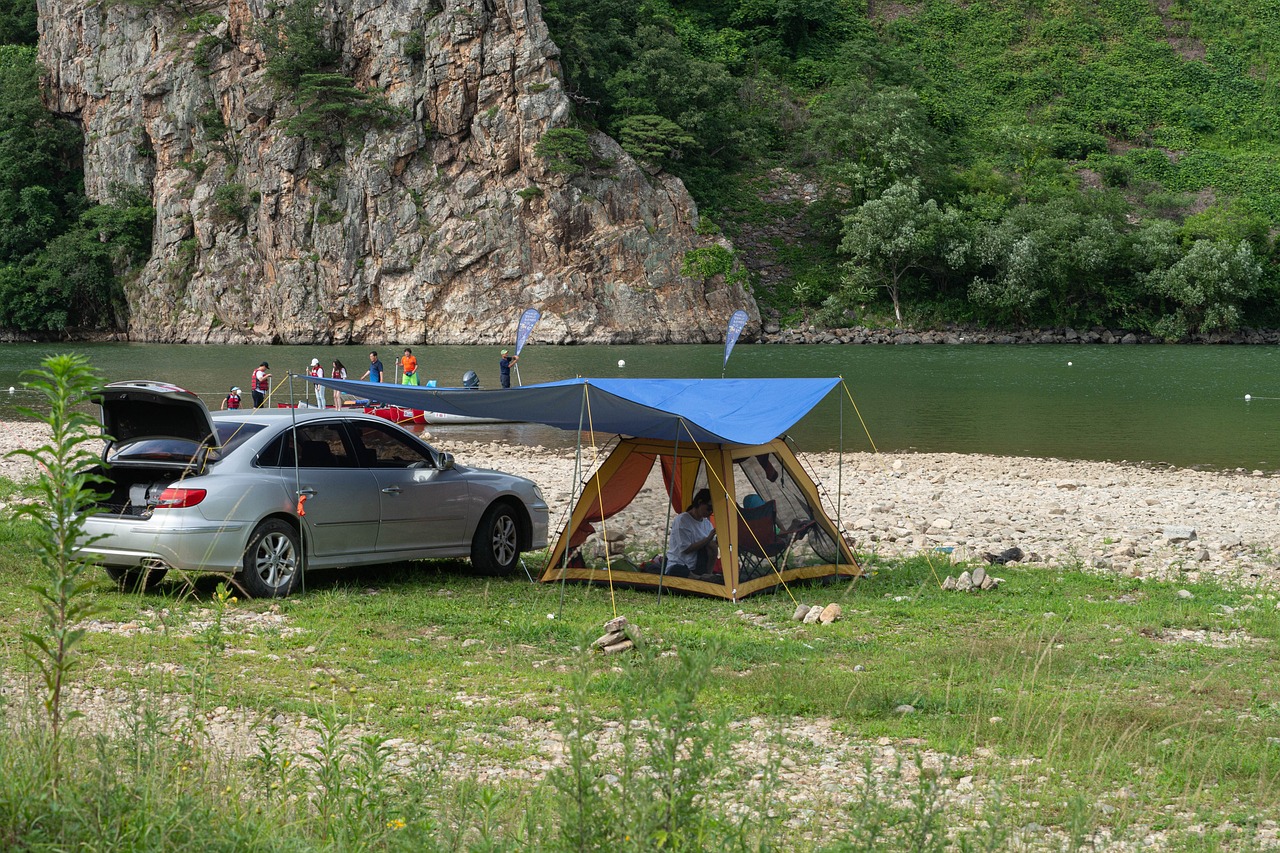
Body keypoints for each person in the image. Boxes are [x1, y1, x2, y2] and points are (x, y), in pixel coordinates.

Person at [664, 488, 718, 578]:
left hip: (697, 565)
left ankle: (708, 574)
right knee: (677, 570)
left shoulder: (707, 524)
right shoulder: (682, 520)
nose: (710, 512)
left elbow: (712, 547)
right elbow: (686, 549)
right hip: (680, 563)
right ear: (700, 502)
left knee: (712, 546)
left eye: (713, 510)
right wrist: (708, 539)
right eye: (709, 508)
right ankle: (701, 578)